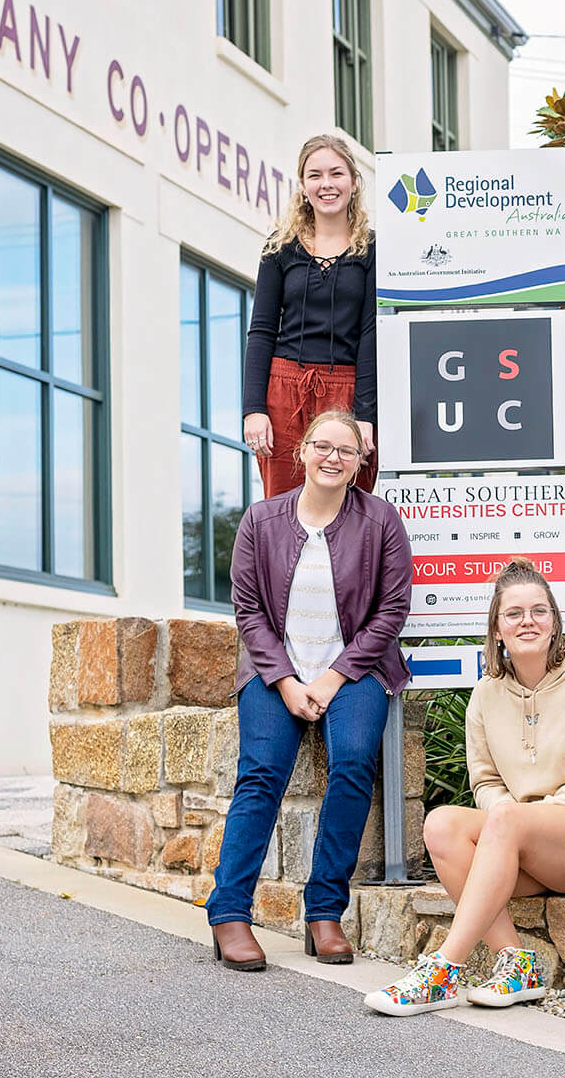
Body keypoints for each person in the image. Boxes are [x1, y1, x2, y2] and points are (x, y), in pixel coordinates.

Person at [366, 559, 565, 1016]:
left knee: (509, 818)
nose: (527, 621)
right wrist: (512, 821)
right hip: (525, 842)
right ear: (497, 629)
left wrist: (535, 813)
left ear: (555, 622)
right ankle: (516, 965)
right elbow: (487, 783)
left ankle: (442, 970)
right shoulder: (485, 694)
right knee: (441, 825)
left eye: (539, 611)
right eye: (514, 613)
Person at [206, 409, 412, 971]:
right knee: (261, 773)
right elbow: (248, 610)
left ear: (360, 463)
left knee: (353, 762)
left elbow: (392, 610)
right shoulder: (261, 520)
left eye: (346, 451)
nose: (332, 458)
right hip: (275, 671)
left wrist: (332, 677)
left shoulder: (381, 521)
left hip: (355, 671)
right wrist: (287, 681)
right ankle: (229, 913)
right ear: (301, 451)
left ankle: (324, 912)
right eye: (323, 446)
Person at [242, 133, 379, 499]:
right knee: (281, 509)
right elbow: (261, 330)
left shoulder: (372, 250)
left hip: (347, 391)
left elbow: (371, 334)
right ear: (303, 186)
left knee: (348, 509)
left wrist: (365, 415)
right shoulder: (280, 247)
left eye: (336, 173)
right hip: (284, 391)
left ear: (354, 182)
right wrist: (254, 409)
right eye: (315, 175)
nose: (326, 184)